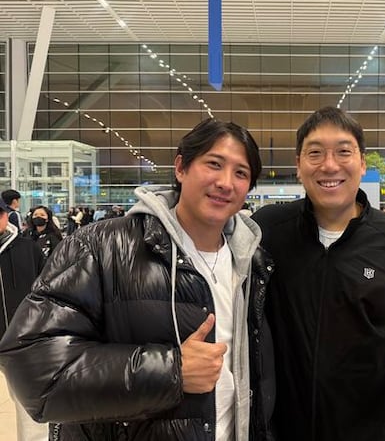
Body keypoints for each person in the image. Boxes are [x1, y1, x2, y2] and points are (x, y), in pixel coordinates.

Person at [0, 118, 275, 441]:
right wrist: (170, 371)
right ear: (181, 168)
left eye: (241, 173)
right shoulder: (100, 246)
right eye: (214, 164)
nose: (226, 182)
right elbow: (33, 368)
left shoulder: (253, 265)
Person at [252, 106, 385, 441]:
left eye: (343, 151)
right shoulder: (267, 231)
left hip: (371, 430)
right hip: (282, 430)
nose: (329, 165)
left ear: (362, 163)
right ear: (298, 165)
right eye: (315, 153)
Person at [0, 199, 48, 441]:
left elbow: (48, 290)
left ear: (5, 216)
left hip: (23, 340)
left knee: (29, 405)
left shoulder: (28, 249)